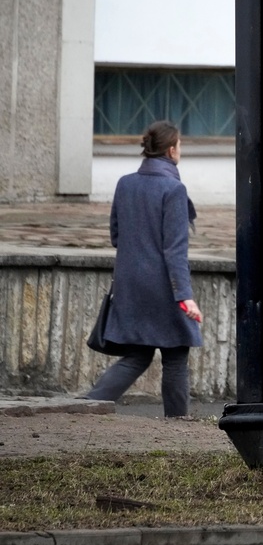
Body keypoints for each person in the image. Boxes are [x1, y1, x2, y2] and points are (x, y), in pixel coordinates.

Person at [85, 121, 203, 418]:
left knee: (137, 355)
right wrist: (185, 296)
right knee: (176, 356)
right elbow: (175, 250)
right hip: (163, 286)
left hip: (129, 283)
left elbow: (116, 235)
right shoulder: (174, 189)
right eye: (180, 145)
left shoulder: (125, 183)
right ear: (172, 150)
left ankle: (87, 406)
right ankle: (179, 423)